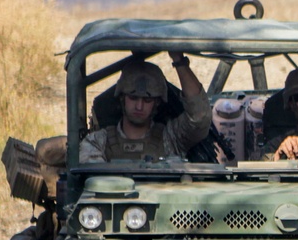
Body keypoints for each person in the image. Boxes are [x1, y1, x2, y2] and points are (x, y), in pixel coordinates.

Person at [80, 53, 210, 163]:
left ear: (157, 102)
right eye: (133, 98)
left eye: (147, 100)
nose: (139, 106)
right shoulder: (98, 142)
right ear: (122, 97)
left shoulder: (170, 138)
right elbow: (94, 180)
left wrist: (179, 61)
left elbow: (199, 117)